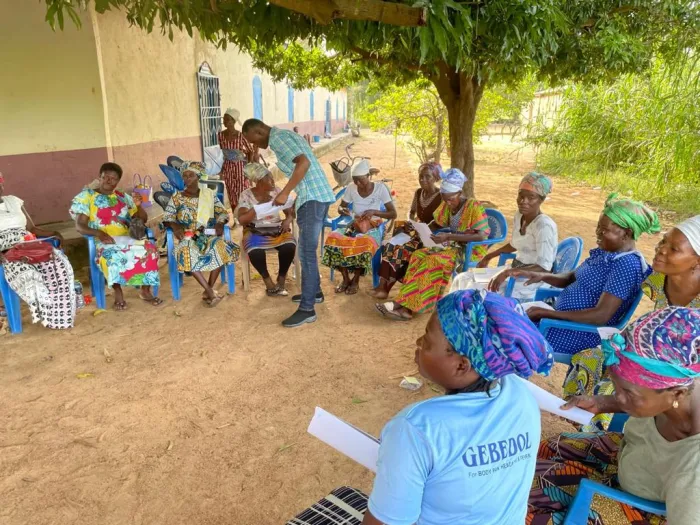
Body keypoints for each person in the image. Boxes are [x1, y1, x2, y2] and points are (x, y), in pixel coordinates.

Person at [286, 290, 553, 525]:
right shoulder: (519, 393)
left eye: (426, 341)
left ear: (461, 365)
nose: (417, 344)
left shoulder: (417, 428)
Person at [528, 306, 700, 525]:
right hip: (628, 456)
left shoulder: (694, 472)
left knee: (526, 502)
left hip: (643, 509)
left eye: (628, 393)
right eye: (616, 387)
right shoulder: (683, 380)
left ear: (676, 393)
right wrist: (602, 403)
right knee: (550, 447)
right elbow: (645, 398)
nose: (619, 398)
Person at [562, 215, 700, 430]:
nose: (661, 249)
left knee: (623, 384)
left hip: (677, 378)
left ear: (697, 261)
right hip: (647, 358)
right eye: (663, 241)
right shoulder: (656, 279)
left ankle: (602, 430)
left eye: (674, 249)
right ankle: (584, 421)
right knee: (589, 357)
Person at [511, 194, 659, 356]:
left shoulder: (627, 265)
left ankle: (503, 376)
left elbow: (600, 315)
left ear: (626, 233)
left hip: (578, 333)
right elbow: (570, 278)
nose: (597, 233)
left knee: (507, 334)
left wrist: (548, 314)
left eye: (604, 230)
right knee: (501, 317)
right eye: (598, 227)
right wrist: (542, 276)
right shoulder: (605, 253)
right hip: (556, 320)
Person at [242, 118, 336, 328]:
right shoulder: (285, 136)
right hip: (313, 196)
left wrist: (284, 193)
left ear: (258, 132)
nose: (255, 146)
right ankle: (316, 293)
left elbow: (304, 163)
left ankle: (307, 309)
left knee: (306, 253)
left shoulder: (278, 139)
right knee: (307, 252)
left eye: (253, 141)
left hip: (313, 198)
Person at [374, 168, 490, 321]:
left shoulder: (473, 206)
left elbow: (482, 235)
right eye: (445, 198)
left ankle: (404, 306)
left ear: (460, 193)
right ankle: (407, 307)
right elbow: (436, 223)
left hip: (468, 250)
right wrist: (421, 228)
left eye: (451, 199)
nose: (448, 203)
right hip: (451, 245)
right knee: (418, 255)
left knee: (432, 261)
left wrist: (449, 235)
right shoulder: (448, 205)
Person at [450, 172, 558, 300]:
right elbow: (515, 244)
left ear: (542, 200)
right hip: (514, 270)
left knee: (473, 291)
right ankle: (454, 316)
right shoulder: (520, 215)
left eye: (531, 197)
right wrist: (488, 256)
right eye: (521, 196)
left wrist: (508, 273)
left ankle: (470, 318)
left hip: (530, 281)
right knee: (462, 278)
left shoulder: (544, 226)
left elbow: (544, 267)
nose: (524, 201)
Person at [71, 163, 161, 311]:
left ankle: (145, 290)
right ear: (99, 177)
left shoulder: (122, 197)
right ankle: (118, 292)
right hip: (103, 240)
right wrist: (99, 233)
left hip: (127, 238)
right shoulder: (87, 197)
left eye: (113, 179)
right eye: (105, 177)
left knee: (150, 249)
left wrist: (138, 206)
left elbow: (142, 219)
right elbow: (80, 226)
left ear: (117, 182)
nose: (108, 181)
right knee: (112, 255)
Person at [0, 171, 75, 329]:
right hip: (7, 252)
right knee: (29, 275)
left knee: (60, 266)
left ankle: (60, 319)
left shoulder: (13, 201)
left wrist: (54, 233)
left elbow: (32, 228)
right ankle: (46, 315)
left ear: (2, 184)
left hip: (29, 244)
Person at [162, 161, 239, 307]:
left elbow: (222, 213)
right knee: (186, 251)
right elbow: (167, 217)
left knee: (222, 248)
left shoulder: (208, 194)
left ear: (198, 177)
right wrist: (175, 225)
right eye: (185, 176)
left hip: (207, 234)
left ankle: (207, 290)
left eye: (191, 175)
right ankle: (210, 292)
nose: (187, 179)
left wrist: (220, 223)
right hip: (188, 235)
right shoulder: (177, 197)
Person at [369, 162, 443, 299]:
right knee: (390, 244)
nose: (423, 180)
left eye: (428, 177)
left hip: (429, 236)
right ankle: (382, 285)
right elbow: (412, 211)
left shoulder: (441, 197)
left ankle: (386, 287)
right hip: (416, 230)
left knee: (402, 250)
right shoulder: (419, 192)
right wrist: (410, 220)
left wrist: (421, 229)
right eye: (421, 176)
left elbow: (440, 222)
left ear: (436, 178)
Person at [321, 160, 396, 295]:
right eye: (355, 181)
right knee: (333, 239)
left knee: (364, 243)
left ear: (368, 176)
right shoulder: (351, 187)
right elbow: (342, 206)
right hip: (355, 225)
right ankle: (345, 279)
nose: (358, 184)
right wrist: (342, 210)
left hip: (374, 227)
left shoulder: (380, 188)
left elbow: (393, 213)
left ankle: (355, 280)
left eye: (361, 180)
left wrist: (374, 212)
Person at [236, 162, 296, 296]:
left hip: (276, 228)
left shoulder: (277, 192)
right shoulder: (246, 195)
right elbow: (242, 219)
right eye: (270, 179)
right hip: (255, 230)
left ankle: (281, 279)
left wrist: (287, 220)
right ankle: (268, 281)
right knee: (255, 251)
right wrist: (259, 207)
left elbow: (290, 211)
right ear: (259, 181)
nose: (273, 182)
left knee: (289, 246)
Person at [217, 108, 258, 210]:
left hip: (240, 167)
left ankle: (242, 215)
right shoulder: (220, 135)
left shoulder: (240, 136)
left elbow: (250, 151)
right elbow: (225, 153)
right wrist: (222, 170)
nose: (224, 122)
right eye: (224, 119)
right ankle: (235, 217)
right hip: (228, 167)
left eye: (227, 120)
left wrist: (248, 167)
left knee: (241, 191)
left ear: (233, 121)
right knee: (231, 193)